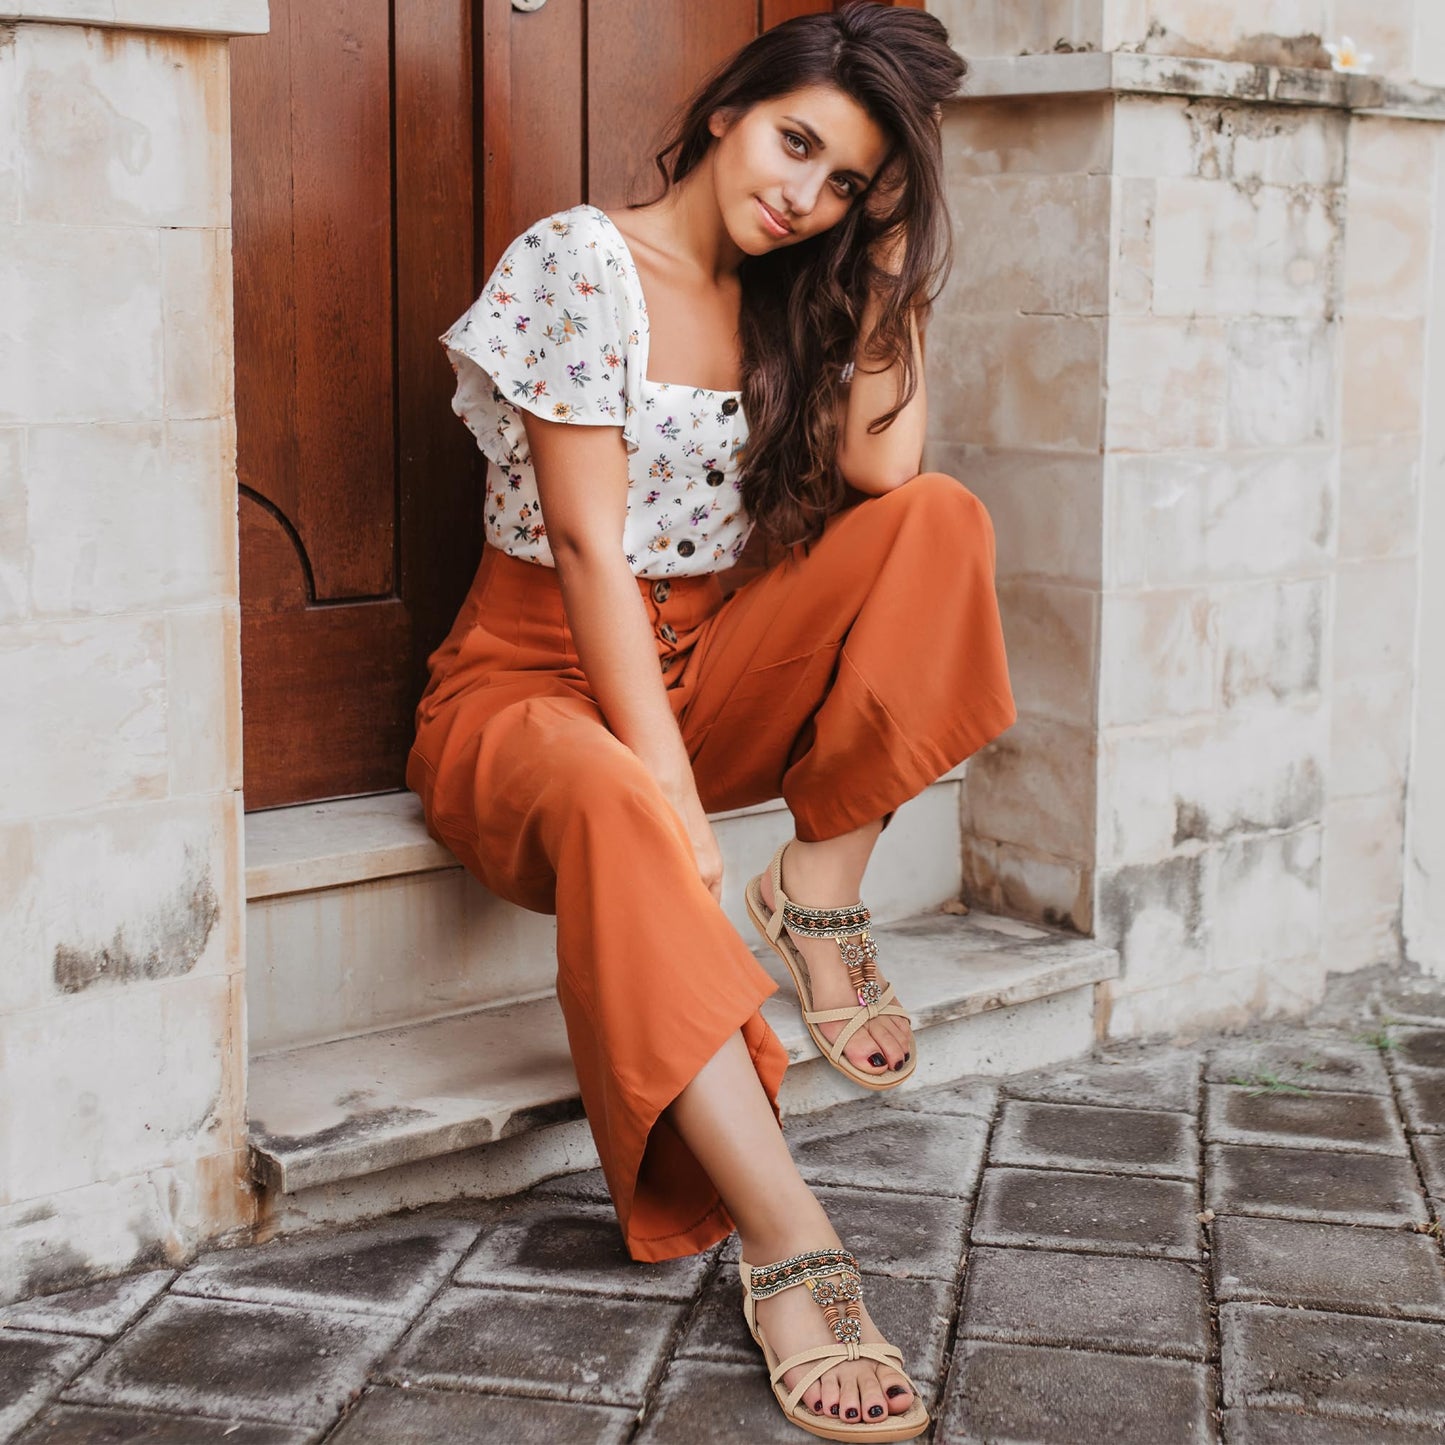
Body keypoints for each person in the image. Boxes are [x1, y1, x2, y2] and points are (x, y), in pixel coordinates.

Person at [407, 4, 1014, 1436]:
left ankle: (818, 898)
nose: (800, 193)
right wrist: (675, 799)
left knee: (939, 520)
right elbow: (582, 548)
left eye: (844, 182)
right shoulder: (578, 260)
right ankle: (788, 1237)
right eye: (795, 142)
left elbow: (887, 466)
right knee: (625, 803)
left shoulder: (798, 284)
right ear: (735, 105)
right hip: (526, 687)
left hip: (707, 664)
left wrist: (884, 272)